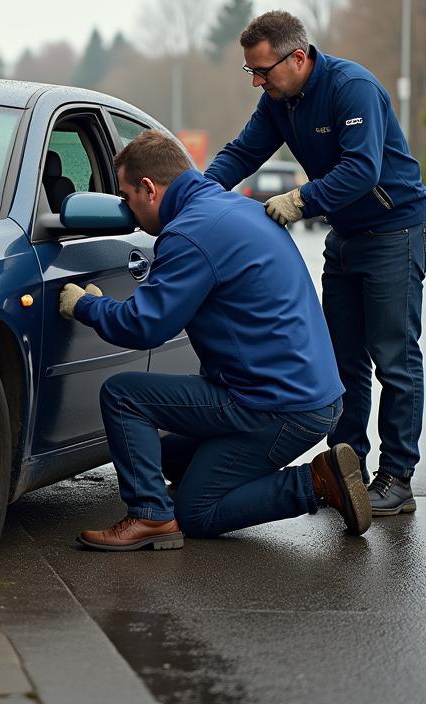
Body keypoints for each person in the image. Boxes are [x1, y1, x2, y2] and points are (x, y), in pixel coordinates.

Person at [58, 129, 372, 551]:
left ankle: (312, 483)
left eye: (126, 196)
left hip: (276, 405)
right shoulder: (231, 208)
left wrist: (85, 307)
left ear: (149, 189)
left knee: (126, 401)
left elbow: (144, 326)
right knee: (162, 453)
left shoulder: (190, 233)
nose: (126, 211)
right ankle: (191, 489)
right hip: (307, 393)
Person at [204, 10, 426, 517]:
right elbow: (242, 153)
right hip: (347, 235)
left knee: (394, 358)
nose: (258, 82)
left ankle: (397, 478)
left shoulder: (352, 88)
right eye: (252, 73)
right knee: (343, 361)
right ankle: (346, 469)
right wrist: (194, 194)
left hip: (396, 231)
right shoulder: (278, 101)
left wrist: (300, 200)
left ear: (299, 57)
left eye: (263, 71)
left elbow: (361, 168)